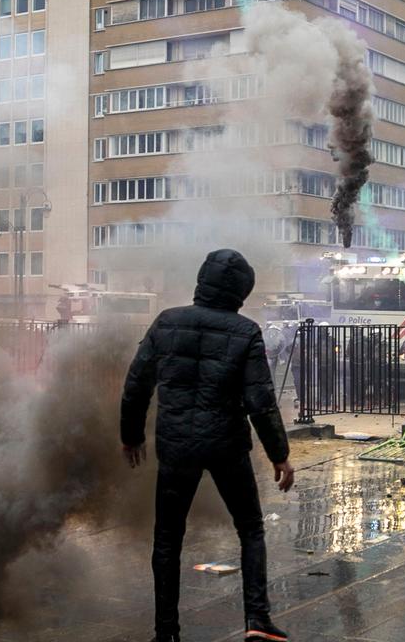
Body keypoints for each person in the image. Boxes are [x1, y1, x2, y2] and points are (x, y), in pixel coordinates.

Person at [119, 249, 295, 642]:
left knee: (167, 539)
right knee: (250, 528)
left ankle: (166, 632)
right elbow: (260, 402)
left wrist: (131, 436)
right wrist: (279, 455)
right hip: (227, 446)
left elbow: (136, 385)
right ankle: (257, 619)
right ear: (239, 292)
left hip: (176, 446)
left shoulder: (167, 322)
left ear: (201, 281)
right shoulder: (245, 332)